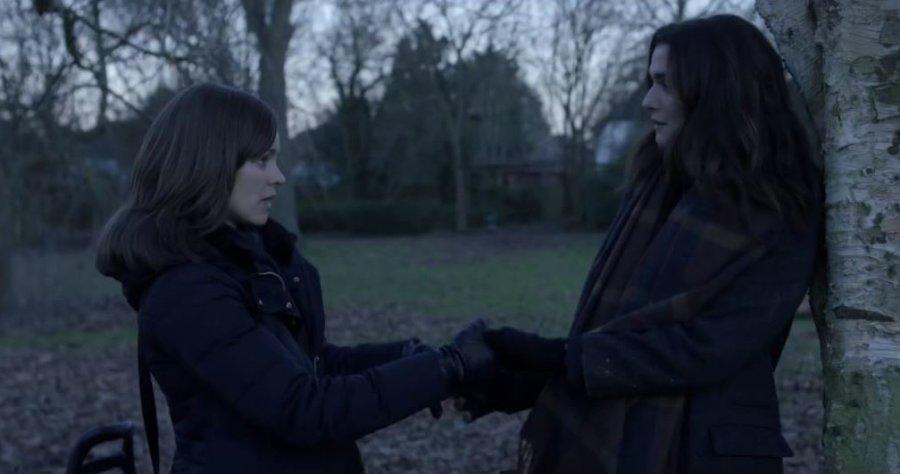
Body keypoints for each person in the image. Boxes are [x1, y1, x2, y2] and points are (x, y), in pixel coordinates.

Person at [457, 14, 823, 474]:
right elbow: (623, 330)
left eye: (664, 84)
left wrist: (556, 357)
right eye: (650, 82)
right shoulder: (658, 186)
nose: (648, 101)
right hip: (619, 438)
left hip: (707, 454)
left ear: (716, 91)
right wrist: (513, 375)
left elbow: (708, 347)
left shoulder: (779, 203)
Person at [95, 83, 497, 474]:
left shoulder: (246, 264)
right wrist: (446, 368)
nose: (279, 177)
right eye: (262, 160)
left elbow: (312, 362)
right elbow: (303, 408)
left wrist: (412, 357)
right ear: (210, 164)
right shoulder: (187, 291)